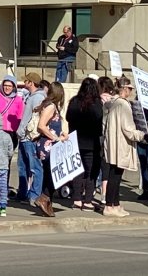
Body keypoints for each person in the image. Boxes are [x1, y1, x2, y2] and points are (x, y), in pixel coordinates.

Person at [102, 77, 144, 218]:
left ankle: (115, 203)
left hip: (112, 142)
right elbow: (128, 129)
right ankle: (110, 205)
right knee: (115, 175)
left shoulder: (111, 103)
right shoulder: (123, 105)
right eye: (130, 88)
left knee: (115, 174)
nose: (131, 91)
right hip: (120, 143)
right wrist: (142, 135)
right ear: (124, 88)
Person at [64, 76, 102, 211]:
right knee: (92, 172)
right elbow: (99, 119)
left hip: (75, 141)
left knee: (77, 171)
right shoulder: (97, 103)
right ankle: (88, 201)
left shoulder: (74, 101)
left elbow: (68, 117)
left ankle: (76, 199)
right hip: (92, 142)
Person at [32, 81, 67, 217]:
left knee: (49, 174)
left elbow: (52, 124)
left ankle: (47, 203)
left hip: (51, 144)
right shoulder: (51, 106)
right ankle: (44, 197)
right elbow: (41, 126)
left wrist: (61, 134)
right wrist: (55, 138)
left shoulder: (52, 106)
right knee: (54, 174)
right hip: (47, 145)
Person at [15, 73, 47, 204]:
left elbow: (28, 117)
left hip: (29, 136)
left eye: (26, 80)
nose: (24, 82)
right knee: (23, 166)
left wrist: (20, 131)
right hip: (26, 136)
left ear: (31, 83)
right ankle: (23, 192)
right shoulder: (33, 97)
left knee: (34, 167)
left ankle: (34, 195)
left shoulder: (36, 98)